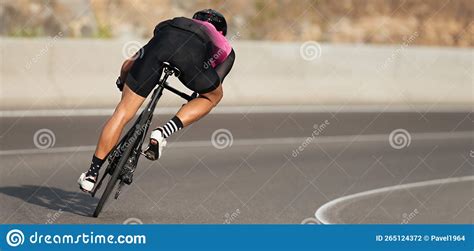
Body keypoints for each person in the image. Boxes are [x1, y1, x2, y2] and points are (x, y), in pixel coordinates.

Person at [78, 9, 236, 192]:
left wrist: (123, 80)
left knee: (122, 113)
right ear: (222, 31)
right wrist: (196, 97)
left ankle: (91, 174)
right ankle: (162, 132)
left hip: (160, 48)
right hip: (192, 61)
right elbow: (214, 84)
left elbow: (133, 60)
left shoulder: (174, 22)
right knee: (214, 96)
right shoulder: (225, 46)